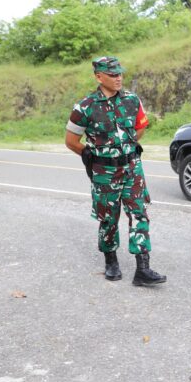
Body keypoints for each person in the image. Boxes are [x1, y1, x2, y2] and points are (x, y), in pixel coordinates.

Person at [65, 56, 166, 286]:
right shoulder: (85, 107)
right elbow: (71, 140)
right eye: (112, 74)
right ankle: (111, 261)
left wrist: (126, 148)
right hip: (105, 172)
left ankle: (143, 268)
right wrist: (90, 154)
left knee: (139, 213)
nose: (118, 77)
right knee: (108, 218)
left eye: (120, 73)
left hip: (132, 168)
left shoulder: (132, 100)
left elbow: (140, 128)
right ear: (99, 77)